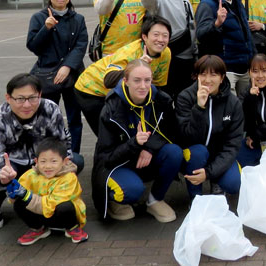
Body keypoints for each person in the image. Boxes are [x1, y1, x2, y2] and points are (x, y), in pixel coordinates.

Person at [0, 73, 83, 230]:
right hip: (12, 165)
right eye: (20, 99)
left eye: (32, 98)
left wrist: (64, 166)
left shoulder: (50, 108)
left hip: (39, 162)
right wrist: (1, 177)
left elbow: (62, 142)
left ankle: (49, 197)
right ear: (8, 98)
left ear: (40, 95)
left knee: (76, 161)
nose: (26, 105)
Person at [92, 59, 183, 223]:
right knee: (133, 190)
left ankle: (155, 200)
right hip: (119, 162)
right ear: (125, 81)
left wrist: (149, 148)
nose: (143, 86)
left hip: (145, 158)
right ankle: (114, 201)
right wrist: (134, 143)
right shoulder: (111, 109)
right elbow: (106, 158)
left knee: (174, 152)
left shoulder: (162, 100)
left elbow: (171, 131)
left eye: (147, 80)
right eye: (137, 80)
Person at [74, 16, 172, 134]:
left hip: (117, 91)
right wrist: (135, 68)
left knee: (128, 131)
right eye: (156, 35)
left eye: (165, 35)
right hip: (91, 88)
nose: (160, 39)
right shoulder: (130, 52)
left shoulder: (166, 53)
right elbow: (108, 80)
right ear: (144, 37)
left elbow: (158, 85)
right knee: (107, 133)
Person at [26, 0, 87, 153]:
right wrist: (46, 28)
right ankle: (48, 155)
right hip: (46, 76)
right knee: (46, 118)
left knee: (75, 118)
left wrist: (67, 67)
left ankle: (73, 155)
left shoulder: (78, 19)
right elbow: (33, 46)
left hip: (72, 74)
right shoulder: (39, 18)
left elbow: (81, 45)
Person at [176, 55, 244, 197]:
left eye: (213, 75)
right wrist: (199, 108)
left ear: (222, 77)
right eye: (203, 74)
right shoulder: (185, 97)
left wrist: (209, 172)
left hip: (218, 155)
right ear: (196, 76)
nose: (207, 80)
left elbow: (232, 145)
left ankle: (216, 181)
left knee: (233, 184)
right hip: (194, 154)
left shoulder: (233, 103)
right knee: (198, 152)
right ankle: (195, 197)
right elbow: (186, 137)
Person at [5, 137, 88, 245]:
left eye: (54, 161)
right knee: (18, 204)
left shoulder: (69, 177)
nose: (48, 166)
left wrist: (27, 196)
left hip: (60, 215)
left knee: (65, 206)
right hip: (40, 214)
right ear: (36, 161)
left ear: (65, 161)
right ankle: (38, 228)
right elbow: (17, 195)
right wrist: (12, 192)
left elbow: (53, 203)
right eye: (43, 161)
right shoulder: (30, 174)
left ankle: (72, 227)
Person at [195, 0, 256, 96]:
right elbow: (200, 35)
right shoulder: (208, 4)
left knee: (246, 108)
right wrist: (216, 24)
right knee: (229, 111)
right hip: (225, 70)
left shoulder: (238, 1)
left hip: (244, 69)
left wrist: (253, 59)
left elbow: (246, 35)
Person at [142, 0, 197, 98]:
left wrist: (195, 59)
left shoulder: (186, 1)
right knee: (165, 100)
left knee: (185, 101)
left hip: (187, 61)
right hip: (167, 60)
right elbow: (148, 0)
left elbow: (192, 31)